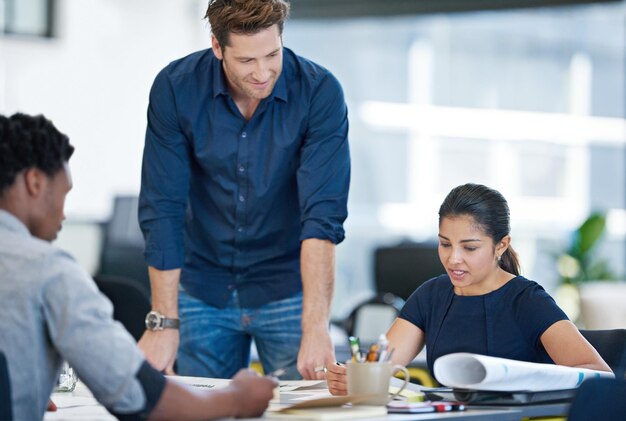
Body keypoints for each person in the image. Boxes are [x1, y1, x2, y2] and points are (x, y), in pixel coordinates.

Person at [0, 113, 277, 420]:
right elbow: (140, 398)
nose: (63, 215)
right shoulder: (47, 270)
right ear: (35, 182)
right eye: (64, 195)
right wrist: (237, 398)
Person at [138, 0, 350, 381]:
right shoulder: (176, 88)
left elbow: (322, 217)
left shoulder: (319, 93)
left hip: (288, 289)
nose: (263, 72)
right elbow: (162, 207)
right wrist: (162, 323)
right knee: (206, 410)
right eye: (247, 61)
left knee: (306, 409)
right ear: (218, 48)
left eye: (272, 55)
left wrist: (318, 324)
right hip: (202, 288)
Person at [326, 183, 611, 395]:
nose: (453, 259)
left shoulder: (527, 300)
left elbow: (599, 374)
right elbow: (382, 368)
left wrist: (530, 380)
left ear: (501, 245)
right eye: (445, 244)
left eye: (470, 247)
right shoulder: (431, 296)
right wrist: (358, 378)